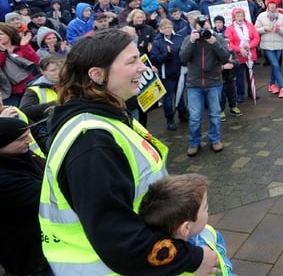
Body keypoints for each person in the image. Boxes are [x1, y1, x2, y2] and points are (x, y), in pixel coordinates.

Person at [40, 29, 220, 275]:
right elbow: (118, 237)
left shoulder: (109, 115)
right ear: (97, 75)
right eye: (132, 61)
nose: (144, 68)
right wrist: (190, 259)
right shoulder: (92, 141)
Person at [138, 173, 233, 276]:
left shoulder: (207, 232)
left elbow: (222, 259)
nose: (208, 209)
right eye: (205, 208)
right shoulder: (206, 236)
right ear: (186, 228)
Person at [0, 117, 52, 276]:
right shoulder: (4, 179)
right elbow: (48, 194)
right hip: (27, 253)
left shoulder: (25, 157)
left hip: (44, 243)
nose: (30, 140)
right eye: (22, 138)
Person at [179, 16, 230, 156]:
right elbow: (183, 59)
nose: (203, 29)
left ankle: (215, 140)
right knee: (195, 117)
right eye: (200, 26)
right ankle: (194, 142)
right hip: (194, 84)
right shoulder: (188, 39)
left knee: (215, 114)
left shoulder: (217, 38)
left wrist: (214, 42)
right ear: (195, 27)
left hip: (213, 83)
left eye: (205, 26)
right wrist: (191, 41)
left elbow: (226, 57)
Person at [151, 18, 189, 131]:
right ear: (160, 29)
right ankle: (170, 119)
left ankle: (183, 114)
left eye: (169, 27)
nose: (167, 29)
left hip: (180, 72)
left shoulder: (179, 38)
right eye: (165, 28)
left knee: (181, 95)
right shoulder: (157, 42)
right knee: (168, 98)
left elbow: (184, 52)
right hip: (167, 74)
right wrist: (166, 54)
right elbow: (155, 59)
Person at [256, 0, 283, 98]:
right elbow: (255, 29)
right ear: (267, 5)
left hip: (278, 45)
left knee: (275, 66)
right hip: (266, 45)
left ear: (276, 5)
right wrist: (264, 29)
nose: (272, 5)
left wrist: (279, 29)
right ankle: (282, 87)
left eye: (274, 4)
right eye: (270, 3)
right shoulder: (261, 16)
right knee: (275, 65)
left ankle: (271, 84)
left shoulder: (281, 17)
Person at [225, 8, 260, 103]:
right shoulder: (230, 28)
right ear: (234, 17)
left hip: (250, 54)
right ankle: (240, 94)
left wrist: (249, 46)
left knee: (251, 74)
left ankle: (252, 92)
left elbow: (256, 38)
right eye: (237, 16)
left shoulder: (250, 25)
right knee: (239, 76)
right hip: (238, 56)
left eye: (241, 16)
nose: (240, 18)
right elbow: (229, 43)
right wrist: (240, 49)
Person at [0, 22, 39, 106]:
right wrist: (2, 53)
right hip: (9, 94)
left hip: (28, 87)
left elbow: (35, 61)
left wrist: (25, 46)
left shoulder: (20, 48)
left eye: (1, 34)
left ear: (9, 34)